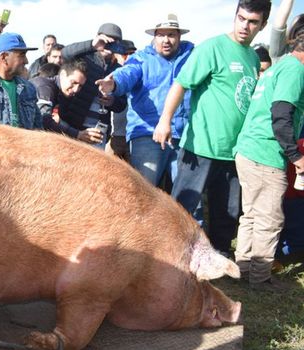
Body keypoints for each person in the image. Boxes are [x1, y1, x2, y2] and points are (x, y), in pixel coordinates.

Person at [153, 0, 271, 256]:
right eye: (241, 18)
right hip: (201, 147)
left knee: (227, 212)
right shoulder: (212, 47)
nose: (245, 26)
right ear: (235, 16)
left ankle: (219, 261)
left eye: (253, 22)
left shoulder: (252, 56)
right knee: (182, 208)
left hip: (234, 152)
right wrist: (165, 121)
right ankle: (166, 258)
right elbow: (181, 84)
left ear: (263, 25)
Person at [233, 24, 304, 291]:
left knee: (251, 215)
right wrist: (296, 156)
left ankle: (243, 269)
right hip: (265, 152)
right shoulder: (296, 70)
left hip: (248, 148)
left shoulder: (280, 65)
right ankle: (260, 278)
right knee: (270, 218)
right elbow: (282, 114)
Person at [96, 14, 194, 188]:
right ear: (154, 37)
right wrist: (113, 84)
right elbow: (127, 73)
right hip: (147, 134)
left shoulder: (192, 56)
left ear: (179, 36)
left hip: (184, 135)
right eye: (161, 35)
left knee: (188, 199)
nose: (166, 40)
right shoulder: (140, 58)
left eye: (171, 34)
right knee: (145, 193)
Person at [59, 23, 127, 147]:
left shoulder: (119, 70)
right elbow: (64, 53)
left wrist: (112, 101)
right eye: (106, 39)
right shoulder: (84, 58)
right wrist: (92, 44)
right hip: (74, 127)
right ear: (98, 38)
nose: (109, 44)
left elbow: (122, 105)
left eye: (115, 41)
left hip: (99, 132)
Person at [0, 32, 42, 129]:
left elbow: (38, 130)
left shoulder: (28, 89)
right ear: (4, 57)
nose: (26, 61)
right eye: (22, 55)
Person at [30, 59, 87, 133]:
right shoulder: (45, 87)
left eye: (80, 86)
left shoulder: (60, 92)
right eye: (74, 83)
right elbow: (44, 120)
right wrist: (77, 134)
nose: (76, 89)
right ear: (62, 75)